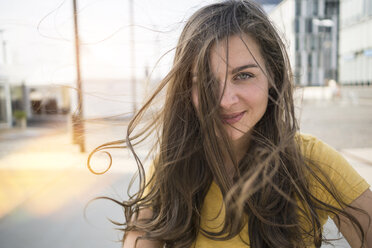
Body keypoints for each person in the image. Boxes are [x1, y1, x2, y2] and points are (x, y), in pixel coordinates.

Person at [89, 0, 372, 247]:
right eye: (206, 82)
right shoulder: (171, 165)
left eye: (244, 76)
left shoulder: (311, 161)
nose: (224, 100)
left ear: (272, 75)